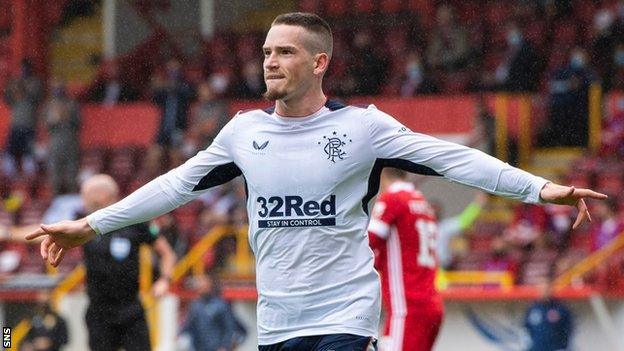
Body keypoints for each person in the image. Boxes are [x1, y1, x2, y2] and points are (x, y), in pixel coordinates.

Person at [27, 12, 606, 351]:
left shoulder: (363, 128)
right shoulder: (242, 132)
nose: (270, 62)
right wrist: (89, 224)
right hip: (276, 320)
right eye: (266, 52)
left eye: (285, 52)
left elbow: (454, 160)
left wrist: (540, 188)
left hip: (345, 317)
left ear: (321, 62)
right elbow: (175, 186)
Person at [79, 174, 176, 351]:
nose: (82, 200)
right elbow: (48, 233)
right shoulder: (83, 223)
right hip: (99, 313)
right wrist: (10, 234)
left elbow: (167, 253)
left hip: (130, 310)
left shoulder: (134, 220)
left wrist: (164, 280)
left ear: (102, 196)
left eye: (85, 195)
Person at [367, 168, 443, 351]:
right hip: (429, 303)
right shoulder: (421, 201)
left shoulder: (392, 199)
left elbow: (367, 246)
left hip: (407, 307)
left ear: (380, 172)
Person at [181, 273, 242, 351]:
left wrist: (225, 346)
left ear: (210, 285)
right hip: (199, 348)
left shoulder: (221, 305)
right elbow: (189, 325)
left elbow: (229, 328)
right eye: (200, 284)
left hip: (216, 348)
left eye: (203, 283)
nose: (201, 286)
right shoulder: (195, 305)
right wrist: (179, 335)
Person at [523, 278, 574, 351]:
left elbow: (568, 329)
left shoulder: (561, 308)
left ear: (551, 289)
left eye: (546, 288)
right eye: (541, 288)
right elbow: (526, 329)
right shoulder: (532, 309)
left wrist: (563, 347)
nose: (544, 291)